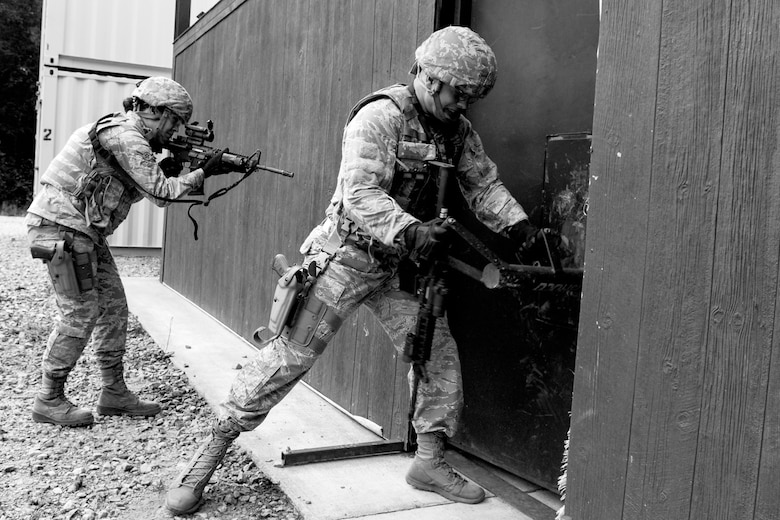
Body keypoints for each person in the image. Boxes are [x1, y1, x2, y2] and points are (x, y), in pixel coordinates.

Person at [165, 26, 540, 514]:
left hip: (396, 268)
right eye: (459, 93)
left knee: (435, 354)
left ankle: (427, 462)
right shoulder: (380, 117)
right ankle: (205, 461)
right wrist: (412, 231)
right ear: (431, 78)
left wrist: (521, 228)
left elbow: (483, 186)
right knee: (287, 360)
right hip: (344, 257)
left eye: (472, 97)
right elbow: (360, 194)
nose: (464, 105)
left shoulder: (457, 132)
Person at [26, 76, 229, 427]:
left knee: (114, 307)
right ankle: (49, 398)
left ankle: (113, 393)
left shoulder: (127, 137)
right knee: (80, 313)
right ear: (157, 113)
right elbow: (164, 194)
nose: (177, 132)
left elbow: (144, 190)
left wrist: (170, 170)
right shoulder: (127, 137)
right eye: (176, 121)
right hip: (63, 228)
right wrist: (201, 173)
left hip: (82, 231)